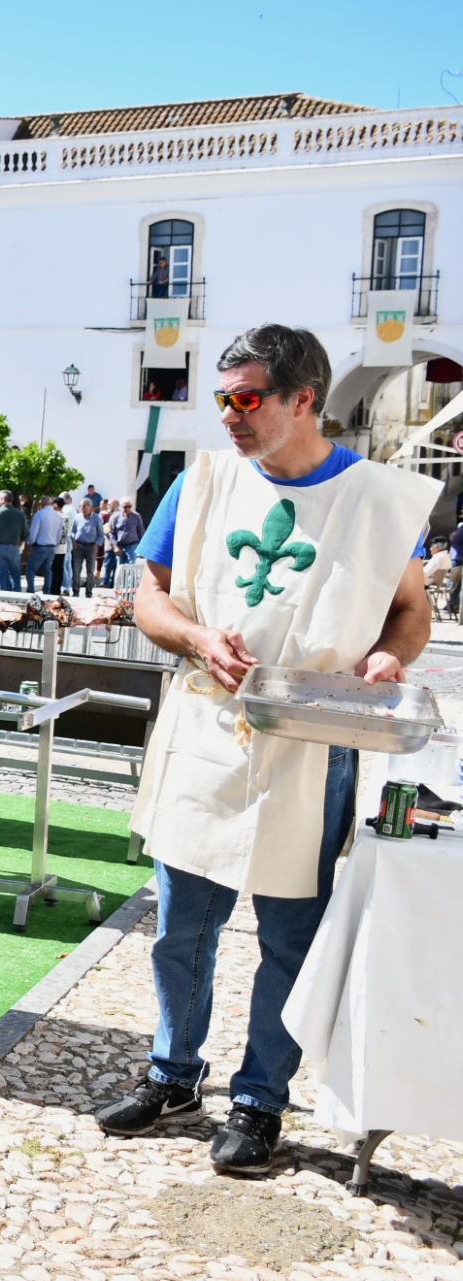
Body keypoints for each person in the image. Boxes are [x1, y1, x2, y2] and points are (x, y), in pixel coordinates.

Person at [97, 324, 437, 1174]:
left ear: (303, 399)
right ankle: (172, 1075)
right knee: (180, 926)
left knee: (288, 934)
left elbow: (410, 611)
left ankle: (258, 1100)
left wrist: (389, 655)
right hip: (207, 725)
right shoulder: (200, 483)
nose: (229, 415)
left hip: (314, 742)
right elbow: (148, 598)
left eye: (246, 398)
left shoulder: (376, 500)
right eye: (223, 398)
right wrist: (195, 637)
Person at [0, 492, 27, 591]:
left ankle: (1, 597)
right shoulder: (20, 513)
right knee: (15, 574)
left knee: (0, 574)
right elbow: (25, 532)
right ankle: (17, 597)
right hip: (14, 547)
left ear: (3, 499)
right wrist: (21, 543)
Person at [27, 493, 64, 594]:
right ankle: (46, 592)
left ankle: (31, 591)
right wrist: (55, 543)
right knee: (47, 570)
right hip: (52, 546)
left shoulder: (39, 514)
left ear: (41, 504)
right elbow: (59, 534)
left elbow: (34, 531)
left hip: (40, 546)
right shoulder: (57, 516)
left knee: (30, 569)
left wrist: (31, 542)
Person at [69, 499, 103, 597]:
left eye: (84, 506)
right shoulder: (77, 517)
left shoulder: (97, 518)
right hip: (79, 547)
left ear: (90, 507)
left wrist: (96, 544)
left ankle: (88, 592)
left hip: (91, 547)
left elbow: (101, 534)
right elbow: (73, 532)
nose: (82, 508)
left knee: (90, 572)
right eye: (81, 506)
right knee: (76, 570)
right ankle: (75, 592)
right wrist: (74, 542)